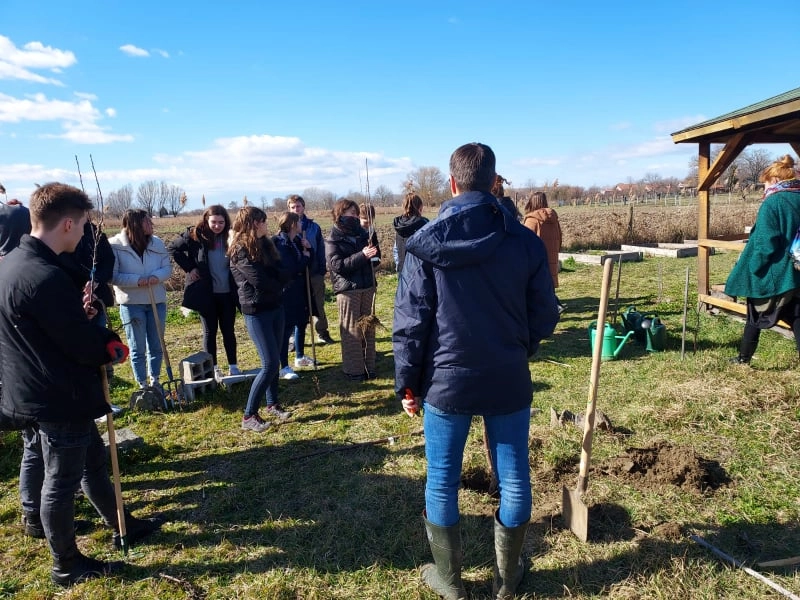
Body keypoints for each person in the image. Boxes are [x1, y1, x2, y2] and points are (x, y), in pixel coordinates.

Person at [393, 144, 559, 599]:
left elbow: (410, 323)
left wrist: (407, 381)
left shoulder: (424, 244)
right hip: (507, 375)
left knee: (442, 477)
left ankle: (451, 581)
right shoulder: (523, 241)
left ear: (451, 184)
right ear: (492, 182)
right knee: (514, 476)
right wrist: (520, 345)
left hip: (446, 382)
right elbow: (544, 314)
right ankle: (507, 581)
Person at [0, 183, 161, 587]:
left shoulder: (12, 265)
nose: (87, 233)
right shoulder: (46, 276)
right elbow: (81, 346)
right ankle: (66, 564)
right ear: (68, 223)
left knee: (91, 460)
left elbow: (42, 325)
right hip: (57, 394)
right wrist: (111, 347)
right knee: (61, 481)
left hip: (32, 389)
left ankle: (122, 522)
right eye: (85, 224)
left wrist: (79, 313)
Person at [725, 154, 800, 365]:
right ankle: (743, 357)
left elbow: (765, 244)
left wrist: (754, 267)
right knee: (795, 315)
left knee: (757, 312)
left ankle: (743, 358)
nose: (764, 188)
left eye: (765, 183)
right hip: (796, 269)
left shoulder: (774, 202)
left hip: (775, 271)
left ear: (774, 180)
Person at [228, 207, 292, 432]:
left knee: (276, 359)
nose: (267, 224)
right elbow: (259, 280)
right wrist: (279, 284)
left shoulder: (266, 244)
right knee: (270, 363)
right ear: (254, 223)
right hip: (256, 310)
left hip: (275, 306)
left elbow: (282, 271)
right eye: (264, 221)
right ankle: (248, 416)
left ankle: (272, 403)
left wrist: (279, 281)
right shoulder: (239, 250)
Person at [167, 205, 240, 381]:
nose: (217, 226)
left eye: (221, 222)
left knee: (228, 330)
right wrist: (190, 268)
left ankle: (233, 366)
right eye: (213, 222)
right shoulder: (195, 235)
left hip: (228, 292)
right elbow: (172, 248)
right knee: (210, 332)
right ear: (206, 220)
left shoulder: (231, 236)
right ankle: (213, 368)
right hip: (206, 293)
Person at [109, 210, 172, 389]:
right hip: (131, 303)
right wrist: (137, 281)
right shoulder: (115, 246)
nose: (151, 225)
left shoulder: (157, 243)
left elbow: (167, 268)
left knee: (157, 343)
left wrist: (156, 277)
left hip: (156, 300)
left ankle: (156, 380)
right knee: (137, 346)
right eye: (147, 222)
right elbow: (113, 276)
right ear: (136, 225)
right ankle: (143, 384)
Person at [325, 199, 381, 381]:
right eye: (351, 213)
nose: (355, 217)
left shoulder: (364, 234)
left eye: (356, 213)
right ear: (340, 215)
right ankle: (354, 370)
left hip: (367, 286)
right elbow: (337, 265)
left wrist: (374, 257)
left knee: (368, 327)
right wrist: (362, 255)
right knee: (352, 332)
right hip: (348, 290)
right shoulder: (333, 238)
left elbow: (374, 255)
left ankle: (369, 367)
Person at [287, 195, 334, 345]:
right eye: (292, 207)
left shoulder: (314, 227)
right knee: (296, 306)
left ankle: (322, 332)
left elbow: (321, 249)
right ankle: (294, 338)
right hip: (296, 275)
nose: (296, 209)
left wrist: (321, 268)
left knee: (318, 304)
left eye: (298, 206)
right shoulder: (286, 228)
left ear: (303, 207)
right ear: (289, 209)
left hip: (314, 272)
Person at [273, 211, 314, 380]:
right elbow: (290, 269)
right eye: (298, 222)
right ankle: (283, 367)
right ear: (292, 225)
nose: (301, 225)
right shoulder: (280, 244)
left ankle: (299, 357)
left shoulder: (296, 241)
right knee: (286, 329)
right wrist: (304, 258)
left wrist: (308, 249)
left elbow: (308, 265)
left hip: (299, 290)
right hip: (287, 293)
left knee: (299, 322)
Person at [522, 191, 565, 312]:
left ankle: (551, 309)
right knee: (549, 286)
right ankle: (553, 307)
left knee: (536, 288)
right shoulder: (554, 219)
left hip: (536, 260)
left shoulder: (531, 220)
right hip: (552, 258)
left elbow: (525, 242)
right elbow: (560, 238)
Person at [392, 189, 428, 273]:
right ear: (419, 207)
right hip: (419, 271)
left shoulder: (399, 224)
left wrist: (399, 266)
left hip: (403, 269)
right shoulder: (423, 223)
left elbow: (396, 249)